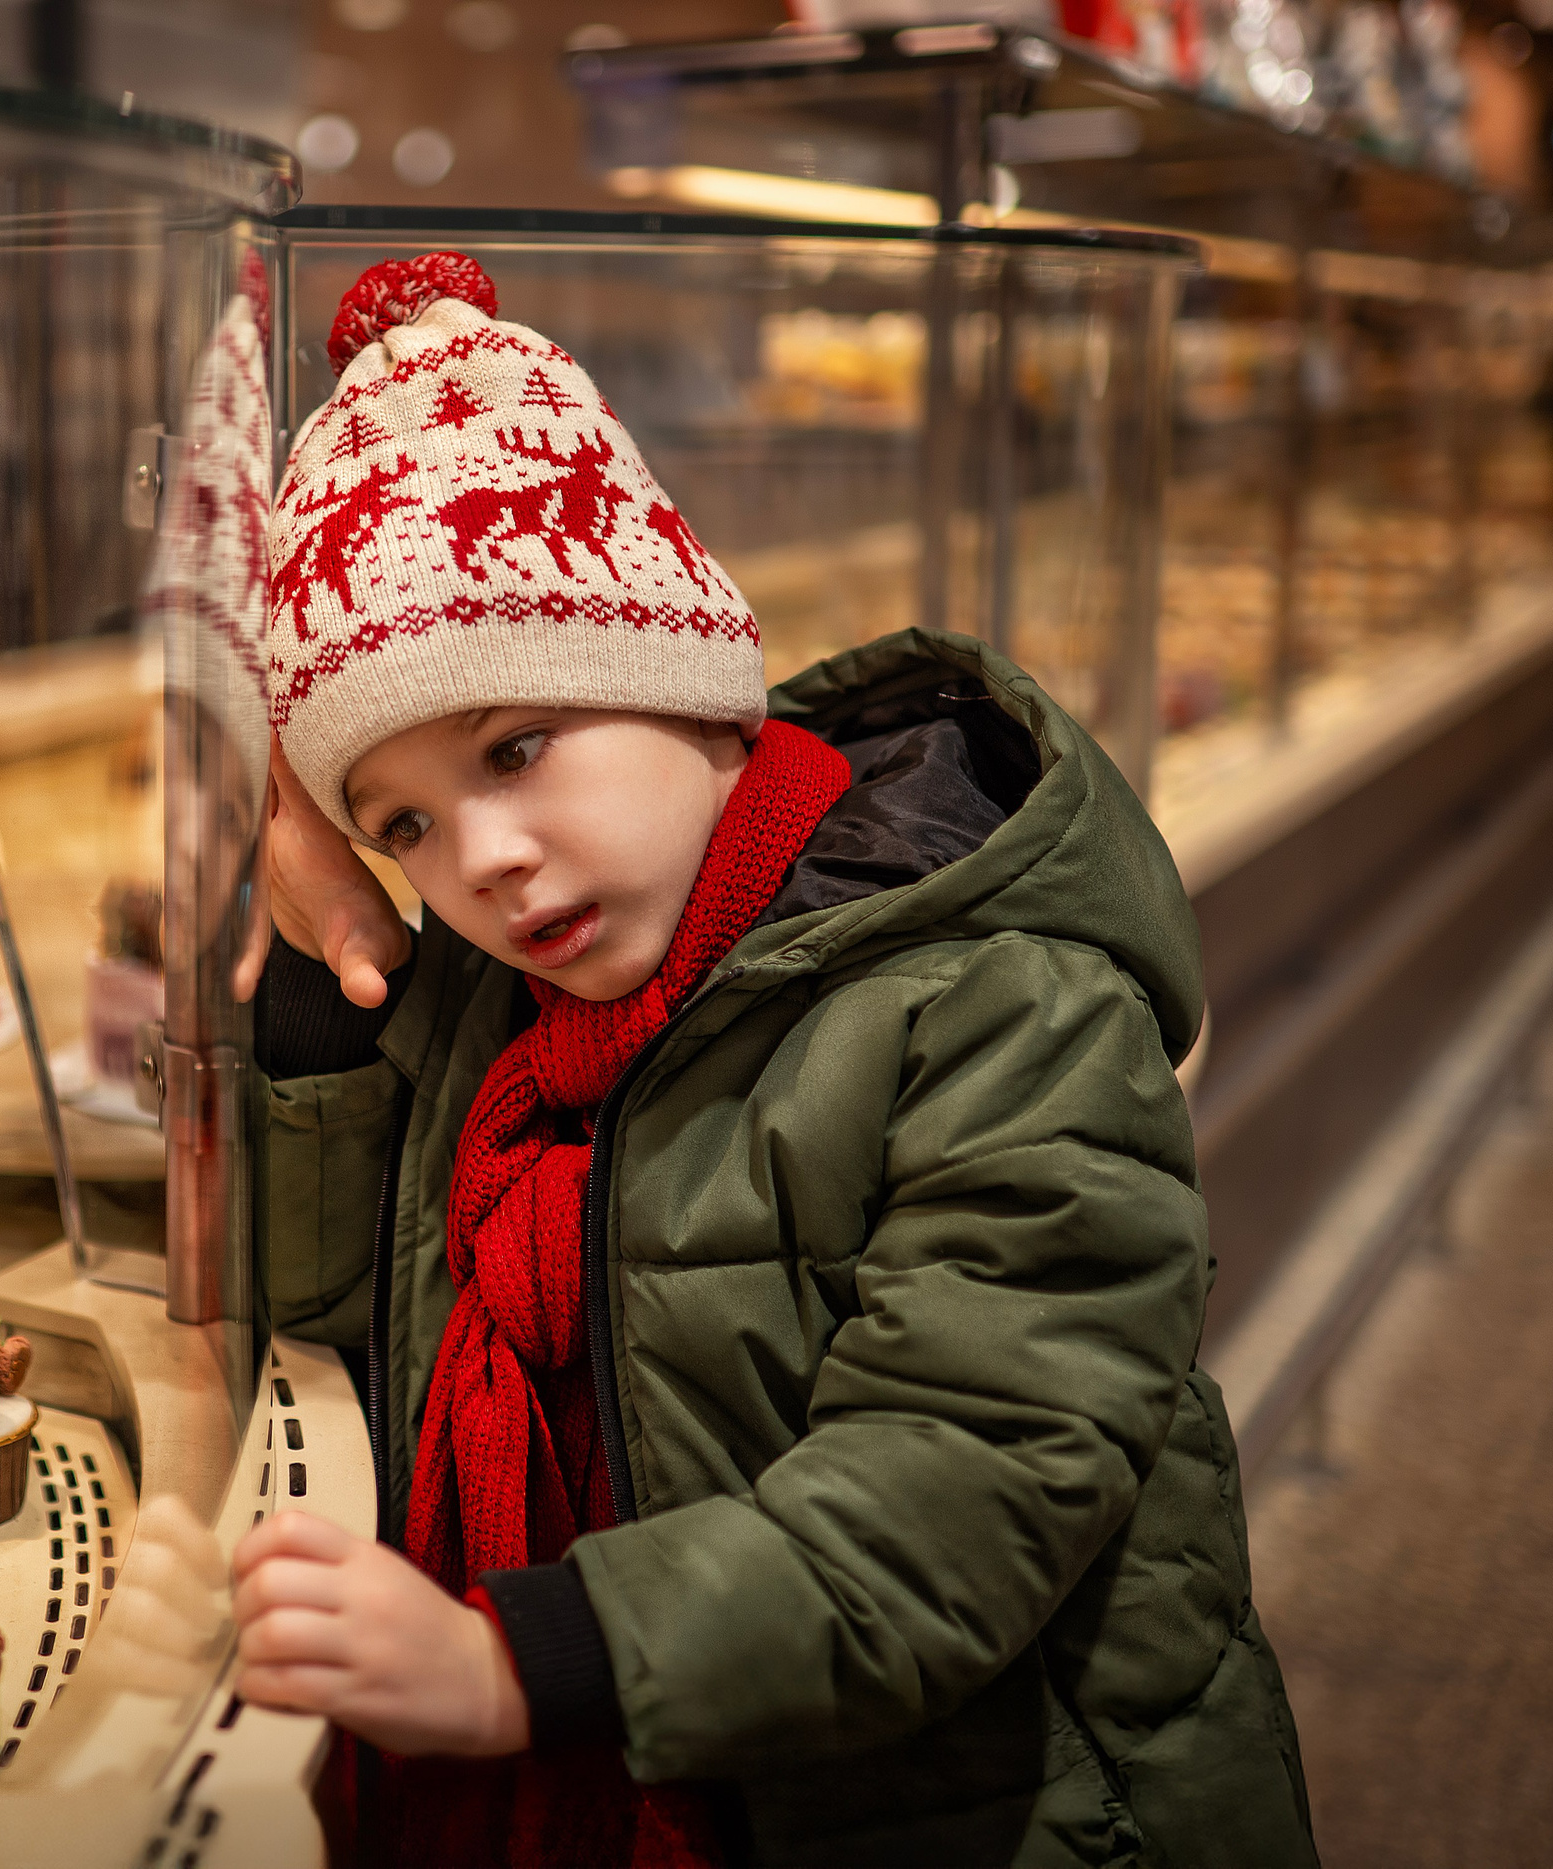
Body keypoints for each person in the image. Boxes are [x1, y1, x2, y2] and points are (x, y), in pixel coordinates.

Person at [231, 253, 1316, 1869]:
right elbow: (353, 1326)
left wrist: (515, 1656)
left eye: (517, 748)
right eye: (404, 822)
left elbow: (966, 1486)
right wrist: (333, 971)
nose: (487, 859)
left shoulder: (999, 1008)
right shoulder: (504, 1002)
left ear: (695, 692)